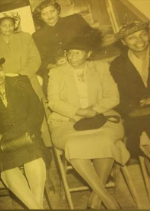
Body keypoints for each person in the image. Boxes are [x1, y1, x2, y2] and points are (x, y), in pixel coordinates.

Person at [47, 27, 130, 209]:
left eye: (78, 53)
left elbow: (113, 96)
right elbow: (53, 102)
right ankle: (107, 199)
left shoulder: (101, 68)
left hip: (101, 116)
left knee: (107, 140)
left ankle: (95, 199)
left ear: (88, 54)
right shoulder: (56, 72)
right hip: (66, 120)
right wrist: (78, 111)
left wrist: (95, 110)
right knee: (73, 145)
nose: (73, 57)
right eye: (69, 53)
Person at [0, 57, 51, 209]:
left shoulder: (21, 82)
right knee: (6, 166)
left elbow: (36, 110)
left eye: (0, 70)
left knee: (35, 156)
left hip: (25, 133)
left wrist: (26, 131)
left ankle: (35, 207)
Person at [110, 21, 150, 160]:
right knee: (139, 131)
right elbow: (122, 97)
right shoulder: (118, 65)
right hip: (137, 114)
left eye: (143, 34)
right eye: (132, 37)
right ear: (123, 42)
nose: (139, 40)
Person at [32, 0, 89, 94]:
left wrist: (81, 55)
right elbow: (39, 60)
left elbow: (92, 40)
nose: (49, 16)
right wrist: (55, 65)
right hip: (58, 71)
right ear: (40, 17)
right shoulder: (37, 36)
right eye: (44, 14)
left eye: (52, 11)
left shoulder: (75, 20)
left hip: (83, 64)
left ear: (58, 10)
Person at [0, 15, 44, 99]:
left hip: (29, 81)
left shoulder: (26, 37)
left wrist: (21, 75)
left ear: (14, 26)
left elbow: (35, 59)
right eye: (4, 26)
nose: (8, 28)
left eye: (11, 25)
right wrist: (6, 79)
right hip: (6, 86)